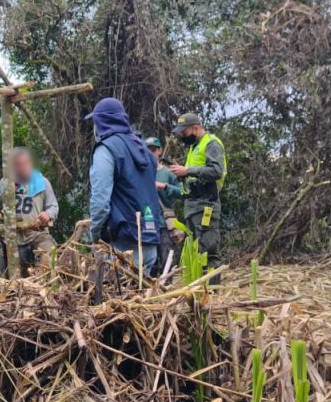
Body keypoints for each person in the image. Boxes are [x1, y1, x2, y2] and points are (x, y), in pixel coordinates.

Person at [86, 98, 164, 271]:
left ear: (102, 122)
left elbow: (100, 201)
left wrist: (95, 235)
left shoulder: (106, 150)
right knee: (143, 289)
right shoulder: (143, 149)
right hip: (149, 237)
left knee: (117, 289)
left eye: (95, 122)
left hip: (123, 245)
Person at [169, 113, 226, 278]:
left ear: (195, 128)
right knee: (196, 251)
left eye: (184, 132)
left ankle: (212, 289)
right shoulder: (194, 147)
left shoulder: (211, 144)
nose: (182, 136)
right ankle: (198, 287)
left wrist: (187, 170)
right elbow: (195, 175)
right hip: (193, 206)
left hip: (206, 204)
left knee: (209, 251)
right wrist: (181, 173)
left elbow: (216, 171)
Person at [0, 148, 59, 275]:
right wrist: (7, 190)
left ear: (30, 163)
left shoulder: (42, 182)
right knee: (9, 278)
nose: (23, 167)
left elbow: (53, 206)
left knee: (49, 258)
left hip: (37, 234)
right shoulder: (6, 182)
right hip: (13, 237)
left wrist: (48, 215)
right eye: (18, 165)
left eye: (25, 163)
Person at [145, 136, 185, 269]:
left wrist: (165, 186)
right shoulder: (140, 173)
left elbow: (183, 192)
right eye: (147, 150)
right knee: (149, 265)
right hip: (146, 224)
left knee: (167, 262)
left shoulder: (168, 173)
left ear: (160, 151)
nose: (150, 153)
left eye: (153, 150)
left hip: (164, 225)